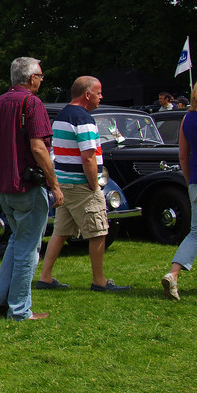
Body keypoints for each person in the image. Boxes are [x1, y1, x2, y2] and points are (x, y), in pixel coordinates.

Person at [0, 57, 64, 321]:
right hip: (26, 186)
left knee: (17, 240)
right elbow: (39, 147)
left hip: (4, 187)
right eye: (40, 75)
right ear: (31, 78)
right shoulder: (32, 103)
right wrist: (54, 185)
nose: (41, 79)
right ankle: (19, 310)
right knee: (29, 248)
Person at [37, 76, 130, 293]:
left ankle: (45, 277)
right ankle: (99, 281)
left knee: (60, 231)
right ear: (87, 95)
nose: (101, 97)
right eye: (98, 93)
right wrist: (95, 186)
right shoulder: (84, 119)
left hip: (64, 184)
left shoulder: (61, 116)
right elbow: (88, 157)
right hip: (82, 186)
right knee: (98, 231)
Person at [161, 74, 197, 300]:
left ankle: (173, 274)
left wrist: (190, 181)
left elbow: (183, 156)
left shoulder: (187, 119)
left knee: (196, 233)